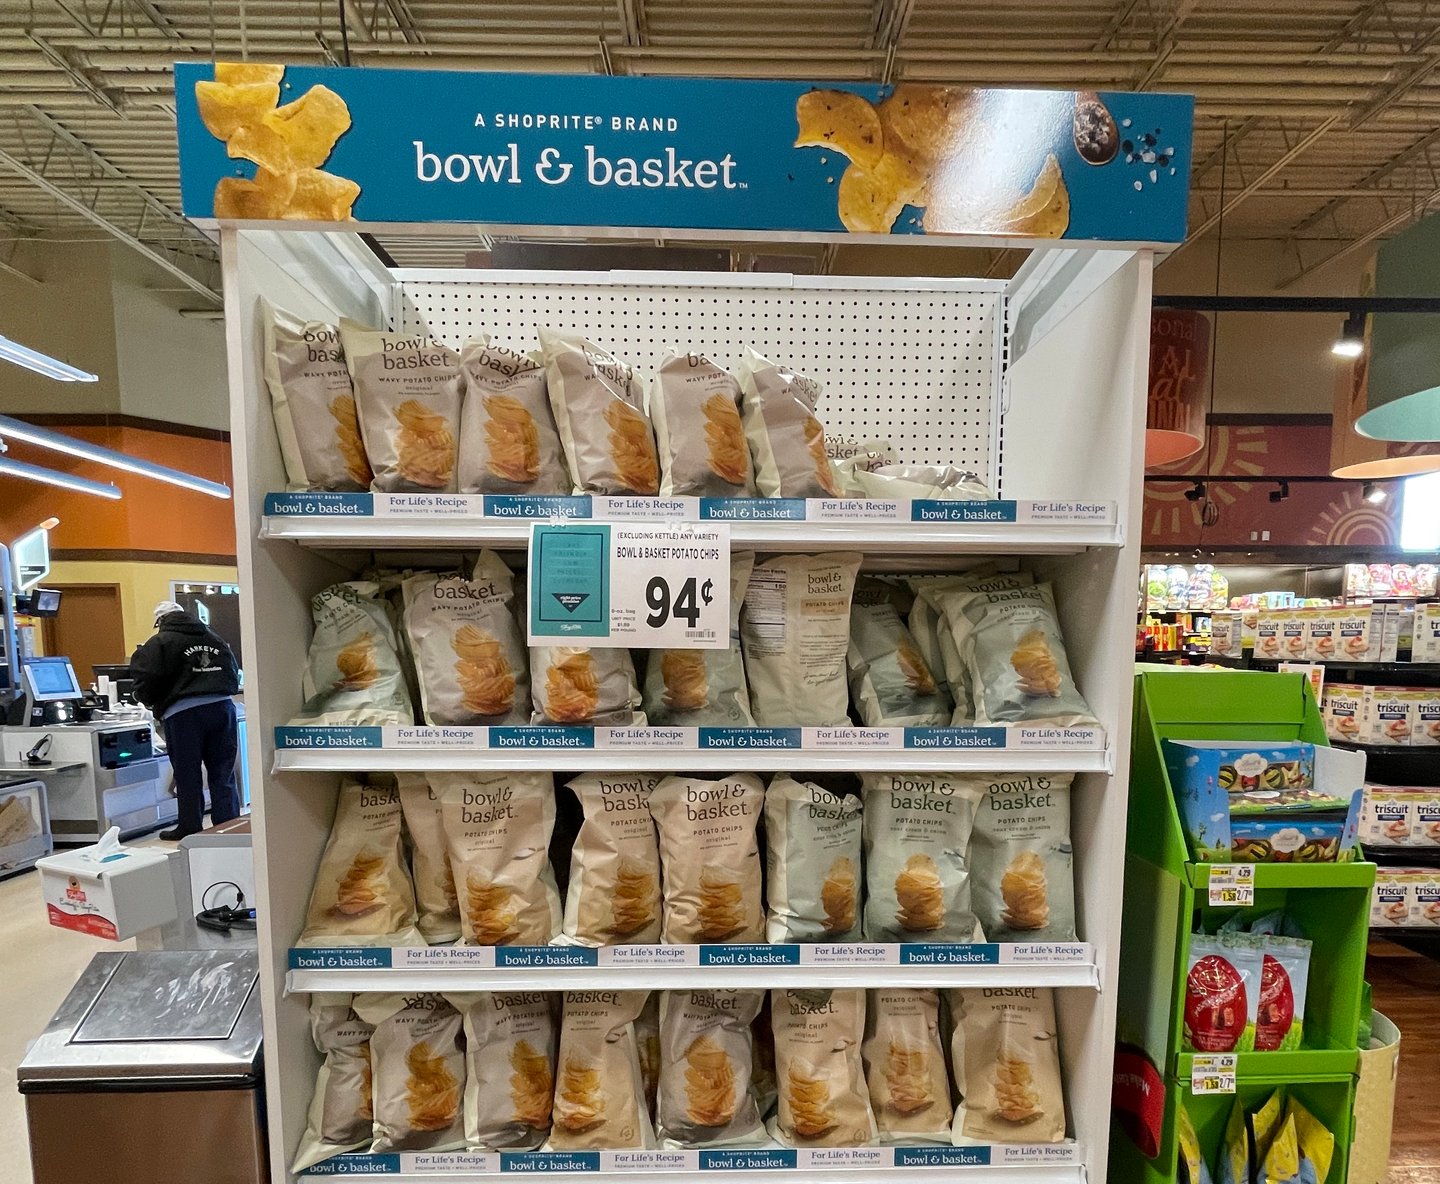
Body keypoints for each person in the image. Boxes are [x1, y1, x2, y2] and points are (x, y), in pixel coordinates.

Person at [129, 600, 243, 841]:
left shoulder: (159, 642)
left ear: (160, 621)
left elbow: (147, 678)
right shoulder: (214, 637)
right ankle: (229, 824)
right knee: (222, 772)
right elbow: (232, 669)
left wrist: (150, 700)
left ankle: (190, 826)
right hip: (223, 708)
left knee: (187, 773)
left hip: (184, 714)